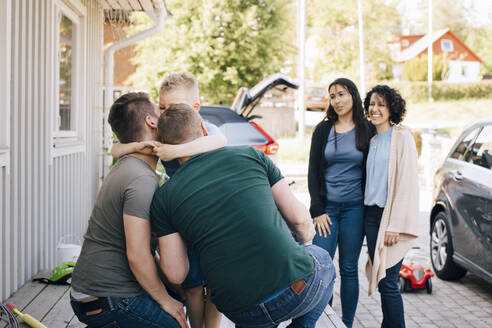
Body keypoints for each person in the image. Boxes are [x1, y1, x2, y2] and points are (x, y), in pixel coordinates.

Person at [150, 103, 336, 328]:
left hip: (240, 309)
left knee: (256, 313)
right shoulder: (251, 155)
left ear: (166, 148)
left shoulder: (163, 198)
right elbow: (300, 220)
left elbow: (176, 274)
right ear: (204, 130)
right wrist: (303, 245)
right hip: (295, 289)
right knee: (322, 258)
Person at [111, 72, 224, 328]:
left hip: (213, 217)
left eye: (173, 108)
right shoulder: (162, 134)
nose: (165, 114)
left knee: (216, 285)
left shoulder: (208, 130)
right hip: (183, 217)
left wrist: (176, 151)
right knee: (192, 285)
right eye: (162, 107)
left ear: (195, 108)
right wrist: (134, 146)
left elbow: (221, 141)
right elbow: (115, 149)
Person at [70, 92, 188, 328]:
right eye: (160, 111)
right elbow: (137, 254)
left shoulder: (127, 165)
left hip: (93, 291)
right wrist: (166, 300)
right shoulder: (140, 179)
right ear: (151, 122)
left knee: (177, 297)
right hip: (106, 298)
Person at [307, 78, 373, 327]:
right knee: (322, 267)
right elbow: (313, 172)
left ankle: (345, 323)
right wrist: (317, 210)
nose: (337, 100)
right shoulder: (323, 130)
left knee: (348, 268)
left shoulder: (367, 130)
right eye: (333, 96)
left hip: (355, 210)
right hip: (327, 211)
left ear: (353, 96)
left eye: (342, 94)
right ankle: (325, 319)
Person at [363, 85, 419, 328]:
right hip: (371, 216)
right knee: (385, 280)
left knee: (389, 282)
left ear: (391, 109)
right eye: (372, 104)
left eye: (381, 105)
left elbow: (407, 182)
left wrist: (395, 224)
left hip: (389, 219)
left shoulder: (402, 136)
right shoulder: (373, 139)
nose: (375, 109)